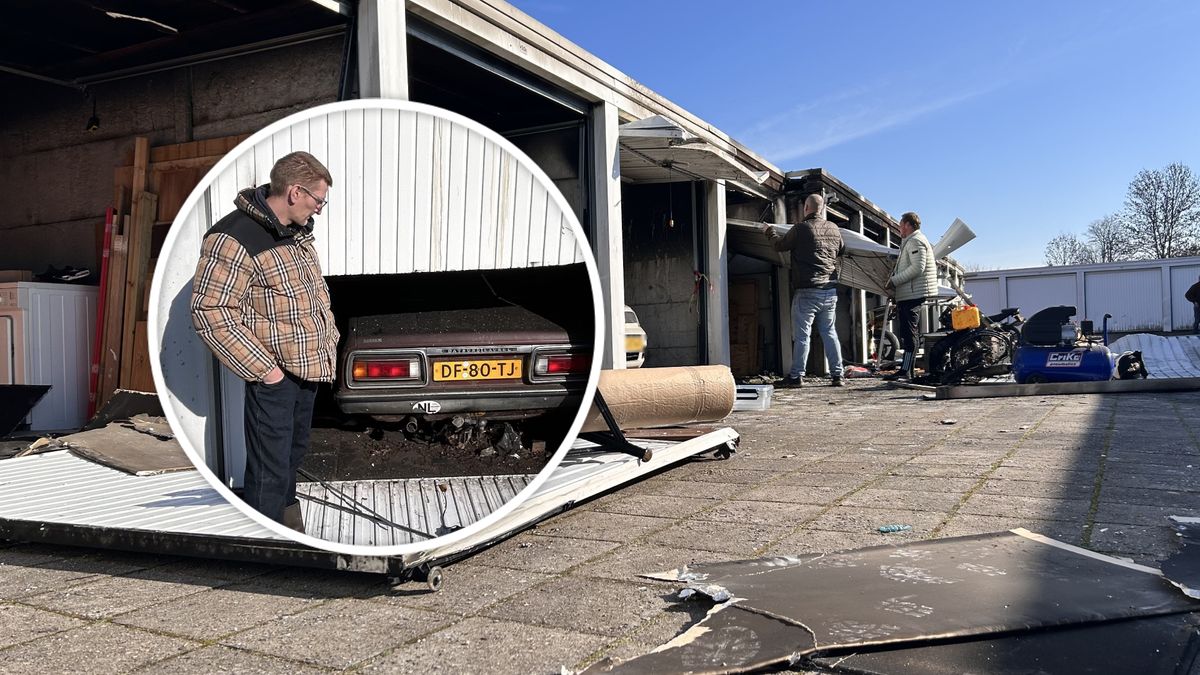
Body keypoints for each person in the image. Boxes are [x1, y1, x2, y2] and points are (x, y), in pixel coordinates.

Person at [191, 151, 339, 532]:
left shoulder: (294, 234)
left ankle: (290, 534)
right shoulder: (233, 237)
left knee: (290, 459)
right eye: (318, 200)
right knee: (269, 471)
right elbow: (211, 312)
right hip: (275, 376)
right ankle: (265, 542)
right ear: (294, 192)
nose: (320, 209)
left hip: (307, 371)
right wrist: (267, 372)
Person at [765, 193, 845, 387]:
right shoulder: (834, 229)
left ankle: (796, 376)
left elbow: (779, 246)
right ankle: (837, 375)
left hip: (807, 291)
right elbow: (841, 250)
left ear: (806, 208)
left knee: (802, 336)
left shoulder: (801, 229)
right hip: (829, 289)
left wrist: (769, 231)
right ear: (822, 209)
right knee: (830, 332)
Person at [884, 212, 937, 380]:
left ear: (907, 225)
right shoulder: (912, 241)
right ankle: (907, 370)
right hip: (910, 293)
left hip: (913, 294)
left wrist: (894, 281)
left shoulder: (915, 241)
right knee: (908, 334)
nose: (899, 229)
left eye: (901, 225)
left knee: (909, 335)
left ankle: (906, 370)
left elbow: (917, 268)